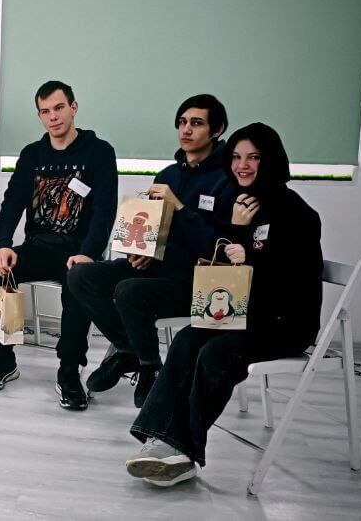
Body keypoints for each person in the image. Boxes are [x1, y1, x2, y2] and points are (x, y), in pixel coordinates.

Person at [124, 122, 323, 487]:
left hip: (284, 321)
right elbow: (222, 264)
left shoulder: (299, 214)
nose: (242, 166)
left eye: (253, 157)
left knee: (217, 352)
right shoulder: (242, 203)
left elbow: (291, 279)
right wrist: (237, 229)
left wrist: (249, 251)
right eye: (236, 157)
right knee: (188, 337)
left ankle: (182, 450)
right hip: (243, 313)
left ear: (271, 160)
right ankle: (159, 437)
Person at [68, 94, 236, 408]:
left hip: (197, 282)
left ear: (217, 129)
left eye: (196, 123)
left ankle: (149, 367)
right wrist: (142, 251)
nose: (186, 130)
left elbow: (220, 249)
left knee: (129, 291)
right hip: (157, 270)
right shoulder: (168, 175)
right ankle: (129, 350)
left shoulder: (227, 180)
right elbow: (153, 232)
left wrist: (180, 207)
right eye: (182, 122)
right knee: (81, 275)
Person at [0, 80, 118, 408]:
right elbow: (13, 203)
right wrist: (3, 245)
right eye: (45, 111)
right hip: (38, 246)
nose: (53, 117)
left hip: (78, 250)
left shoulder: (99, 152)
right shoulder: (32, 154)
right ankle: (3, 357)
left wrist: (88, 253)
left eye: (59, 108)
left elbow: (105, 210)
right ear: (40, 116)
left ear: (73, 108)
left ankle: (69, 369)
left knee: (77, 282)